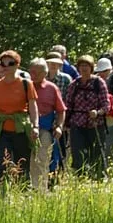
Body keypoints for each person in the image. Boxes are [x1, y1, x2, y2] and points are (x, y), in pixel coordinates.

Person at [0, 50, 39, 186]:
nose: (6, 66)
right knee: (0, 165)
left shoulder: (26, 84)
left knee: (22, 165)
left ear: (17, 65)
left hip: (21, 129)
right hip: (1, 131)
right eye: (3, 64)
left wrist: (35, 126)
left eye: (10, 63)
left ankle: (22, 195)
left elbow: (33, 106)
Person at [63, 55, 109, 179]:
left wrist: (98, 112)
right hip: (77, 124)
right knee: (78, 154)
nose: (84, 69)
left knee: (97, 154)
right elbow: (68, 105)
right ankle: (81, 178)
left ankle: (99, 179)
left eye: (86, 66)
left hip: (95, 124)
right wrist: (65, 123)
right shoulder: (74, 84)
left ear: (92, 68)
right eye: (81, 66)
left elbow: (106, 105)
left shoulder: (99, 83)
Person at [28, 58, 66, 191]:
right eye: (31, 72)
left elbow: (61, 110)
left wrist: (60, 127)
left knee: (41, 158)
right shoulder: (25, 85)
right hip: (24, 127)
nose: (34, 75)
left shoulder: (52, 88)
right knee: (24, 158)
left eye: (37, 73)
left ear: (45, 73)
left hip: (45, 128)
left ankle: (39, 189)